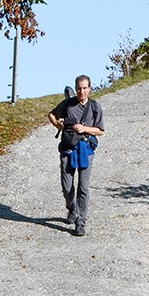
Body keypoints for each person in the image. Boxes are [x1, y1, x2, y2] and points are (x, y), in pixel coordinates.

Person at [48, 75, 104, 237]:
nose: (82, 91)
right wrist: (57, 124)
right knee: (67, 187)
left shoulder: (95, 107)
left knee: (83, 187)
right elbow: (51, 114)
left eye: (85, 88)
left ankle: (81, 222)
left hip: (86, 150)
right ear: (76, 89)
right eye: (79, 88)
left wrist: (84, 129)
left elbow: (100, 131)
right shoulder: (68, 104)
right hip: (67, 149)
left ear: (90, 89)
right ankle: (72, 209)